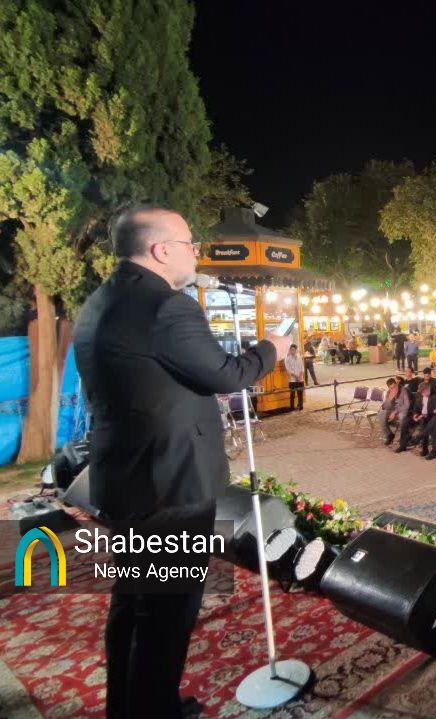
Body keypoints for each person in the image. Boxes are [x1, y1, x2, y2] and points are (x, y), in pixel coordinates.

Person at [73, 205, 292, 719]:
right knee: (167, 614)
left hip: (126, 477)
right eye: (190, 243)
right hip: (169, 486)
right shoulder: (167, 307)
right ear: (160, 249)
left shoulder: (102, 300)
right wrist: (271, 349)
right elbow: (226, 374)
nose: (196, 252)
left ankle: (131, 706)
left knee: (133, 602)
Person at [397, 380, 436, 453]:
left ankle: (424, 449)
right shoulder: (419, 395)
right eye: (421, 392)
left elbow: (434, 410)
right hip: (419, 415)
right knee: (405, 422)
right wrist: (415, 415)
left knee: (424, 423)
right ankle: (402, 445)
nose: (422, 394)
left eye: (423, 392)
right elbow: (415, 407)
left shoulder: (435, 396)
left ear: (428, 389)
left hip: (428, 416)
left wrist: (422, 416)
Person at [378, 378, 411, 447]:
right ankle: (389, 435)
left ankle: (405, 438)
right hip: (392, 410)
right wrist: (385, 404)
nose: (393, 389)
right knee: (381, 414)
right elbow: (387, 405)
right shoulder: (389, 392)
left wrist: (395, 412)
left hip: (402, 410)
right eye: (391, 388)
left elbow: (406, 405)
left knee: (401, 417)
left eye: (394, 387)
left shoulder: (403, 390)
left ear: (396, 384)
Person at [284, 344, 305, 410]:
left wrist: (300, 376)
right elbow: (288, 370)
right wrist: (296, 377)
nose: (292, 351)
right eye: (291, 350)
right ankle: (292, 407)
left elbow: (302, 368)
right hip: (292, 380)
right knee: (292, 394)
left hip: (300, 379)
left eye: (293, 350)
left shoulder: (299, 357)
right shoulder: (287, 359)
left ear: (296, 350)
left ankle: (300, 406)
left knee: (300, 393)